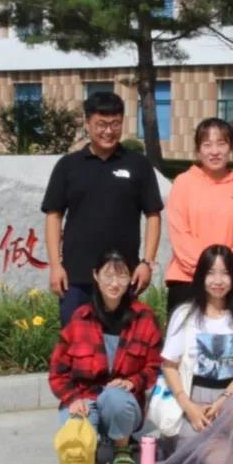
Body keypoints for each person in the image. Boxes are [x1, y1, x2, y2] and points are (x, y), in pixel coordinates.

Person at [42, 91, 163, 325]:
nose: (109, 131)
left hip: (122, 277)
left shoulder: (138, 164)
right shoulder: (68, 166)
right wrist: (55, 267)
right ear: (87, 124)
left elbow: (153, 215)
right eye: (101, 124)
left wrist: (147, 263)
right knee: (77, 341)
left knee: (121, 342)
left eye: (115, 124)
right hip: (76, 277)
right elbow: (53, 216)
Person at [48, 249, 163, 464]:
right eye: (108, 276)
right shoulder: (81, 317)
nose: (114, 283)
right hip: (84, 398)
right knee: (77, 448)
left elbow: (155, 366)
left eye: (121, 276)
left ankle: (122, 446)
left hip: (122, 402)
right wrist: (72, 399)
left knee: (114, 397)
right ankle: (96, 441)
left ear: (131, 278)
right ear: (96, 276)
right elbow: (58, 371)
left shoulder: (143, 317)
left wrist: (133, 382)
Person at [154, 245, 233, 464]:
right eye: (211, 273)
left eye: (225, 273)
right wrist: (189, 406)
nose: (218, 281)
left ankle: (226, 445)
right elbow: (169, 366)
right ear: (201, 277)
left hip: (228, 399)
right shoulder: (185, 315)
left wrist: (223, 400)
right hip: (193, 399)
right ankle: (188, 446)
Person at [165, 117, 233, 317]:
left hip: (229, 283)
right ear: (198, 151)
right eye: (207, 145)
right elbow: (180, 234)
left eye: (221, 143)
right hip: (186, 280)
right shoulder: (183, 183)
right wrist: (207, 271)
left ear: (231, 148)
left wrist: (223, 272)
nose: (214, 151)